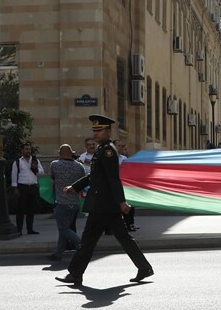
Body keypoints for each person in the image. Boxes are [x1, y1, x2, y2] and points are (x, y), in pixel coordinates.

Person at [55, 115, 154, 286]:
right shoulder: (103, 150)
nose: (95, 134)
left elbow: (113, 178)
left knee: (88, 240)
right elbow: (95, 175)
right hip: (106, 205)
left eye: (99, 130)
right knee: (122, 238)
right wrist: (75, 186)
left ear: (108, 131)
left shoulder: (108, 151)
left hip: (102, 205)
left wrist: (122, 202)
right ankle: (144, 268)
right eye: (94, 130)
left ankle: (75, 274)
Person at [48, 144, 86, 261]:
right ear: (71, 153)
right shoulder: (80, 166)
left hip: (62, 202)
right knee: (65, 228)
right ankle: (58, 253)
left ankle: (83, 247)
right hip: (74, 203)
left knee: (63, 229)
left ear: (60, 153)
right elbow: (83, 180)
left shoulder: (54, 164)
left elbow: (53, 177)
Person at [10, 142, 45, 234]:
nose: (28, 151)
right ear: (22, 150)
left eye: (29, 149)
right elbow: (14, 175)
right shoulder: (17, 162)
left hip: (33, 187)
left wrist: (35, 168)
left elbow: (42, 172)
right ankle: (19, 230)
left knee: (31, 209)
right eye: (26, 149)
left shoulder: (35, 161)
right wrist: (15, 188)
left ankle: (30, 229)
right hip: (22, 187)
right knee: (20, 209)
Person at [114, 140, 138, 232]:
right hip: (114, 185)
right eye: (118, 145)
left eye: (121, 145)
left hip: (124, 185)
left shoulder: (124, 158)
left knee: (127, 205)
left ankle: (128, 224)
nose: (120, 147)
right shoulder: (109, 157)